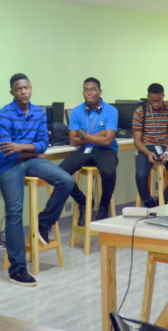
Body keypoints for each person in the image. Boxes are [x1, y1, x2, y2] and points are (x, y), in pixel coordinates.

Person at [0, 74, 74, 286]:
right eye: (19, 89)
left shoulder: (38, 112)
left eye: (26, 87)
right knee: (14, 212)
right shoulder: (4, 115)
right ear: (12, 92)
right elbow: (8, 152)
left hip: (29, 160)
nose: (24, 92)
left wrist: (22, 147)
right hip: (8, 165)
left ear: (30, 88)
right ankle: (17, 270)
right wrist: (34, 151)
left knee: (66, 181)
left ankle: (43, 223)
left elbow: (44, 144)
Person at [57, 78, 119, 225]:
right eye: (86, 90)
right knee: (60, 172)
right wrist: (97, 136)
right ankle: (83, 201)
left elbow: (107, 141)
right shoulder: (77, 111)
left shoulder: (111, 111)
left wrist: (84, 134)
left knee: (109, 172)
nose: (89, 93)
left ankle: (103, 207)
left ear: (100, 91)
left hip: (106, 150)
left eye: (93, 89)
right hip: (86, 149)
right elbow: (73, 140)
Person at [133, 83, 168, 208]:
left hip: (166, 147)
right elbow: (137, 140)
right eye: (153, 101)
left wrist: (167, 153)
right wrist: (147, 152)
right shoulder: (140, 112)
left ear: (163, 96)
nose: (156, 104)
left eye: (159, 100)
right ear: (148, 97)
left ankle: (162, 202)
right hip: (146, 147)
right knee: (140, 175)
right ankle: (149, 203)